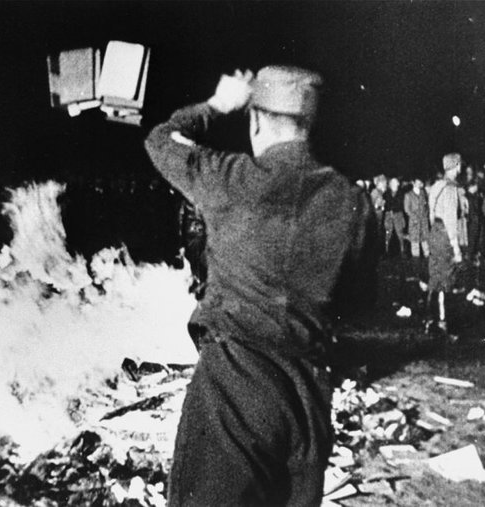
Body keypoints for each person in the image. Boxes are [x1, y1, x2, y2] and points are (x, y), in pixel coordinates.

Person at [145, 66, 372, 506]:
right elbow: (360, 299)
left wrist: (214, 106)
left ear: (254, 120)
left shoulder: (229, 178)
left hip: (234, 390)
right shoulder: (352, 201)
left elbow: (160, 140)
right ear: (309, 125)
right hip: (308, 400)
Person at [426, 153, 463, 333]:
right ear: (456, 165)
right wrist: (456, 248)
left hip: (435, 232)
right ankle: (444, 321)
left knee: (435, 274)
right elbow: (450, 220)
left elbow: (432, 214)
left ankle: (431, 317)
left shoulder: (436, 185)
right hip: (445, 234)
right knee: (446, 276)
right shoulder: (450, 188)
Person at [403, 178, 430, 258]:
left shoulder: (423, 193)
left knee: (425, 240)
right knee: (414, 241)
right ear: (413, 183)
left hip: (423, 221)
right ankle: (416, 259)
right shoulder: (408, 195)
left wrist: (426, 214)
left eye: (420, 182)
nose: (419, 183)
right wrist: (414, 216)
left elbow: (427, 206)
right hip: (414, 222)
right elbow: (406, 209)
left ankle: (427, 256)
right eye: (417, 182)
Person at [384, 177, 406, 256]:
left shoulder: (401, 193)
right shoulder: (386, 193)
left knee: (399, 232)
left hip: (398, 214)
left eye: (395, 182)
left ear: (398, 184)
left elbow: (401, 205)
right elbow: (385, 204)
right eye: (392, 183)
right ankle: (386, 250)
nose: (394, 184)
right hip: (388, 214)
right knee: (388, 232)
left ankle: (402, 249)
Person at [465, 181, 483, 263]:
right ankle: (470, 256)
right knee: (472, 238)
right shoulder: (469, 197)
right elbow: (473, 209)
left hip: (474, 219)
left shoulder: (472, 196)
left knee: (474, 237)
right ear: (471, 187)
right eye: (475, 186)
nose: (477, 188)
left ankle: (472, 255)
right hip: (473, 219)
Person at [370, 175, 387, 253]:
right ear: (378, 183)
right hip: (376, 217)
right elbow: (372, 205)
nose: (385, 184)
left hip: (379, 216)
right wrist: (378, 205)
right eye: (383, 182)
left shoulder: (380, 192)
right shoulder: (375, 192)